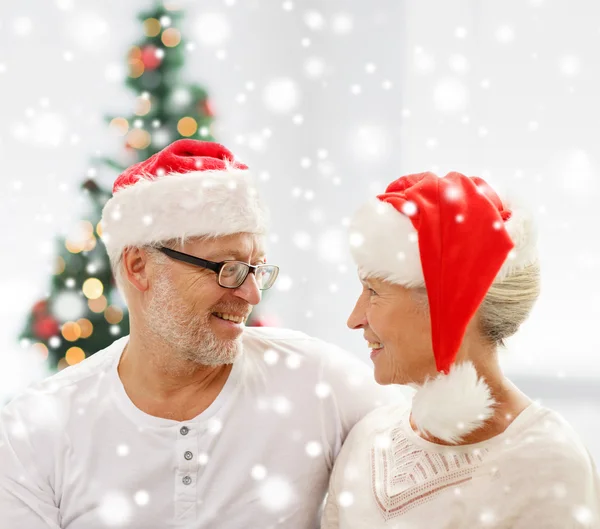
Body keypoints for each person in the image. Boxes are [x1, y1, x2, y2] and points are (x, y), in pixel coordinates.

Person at [0, 140, 402, 528]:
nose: (251, 294)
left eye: (256, 269)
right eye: (226, 269)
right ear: (139, 266)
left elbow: (434, 465)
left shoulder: (321, 385)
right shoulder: (36, 429)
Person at [322, 172, 600, 528]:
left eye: (373, 291)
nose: (354, 318)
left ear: (450, 307)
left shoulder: (547, 462)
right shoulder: (367, 439)